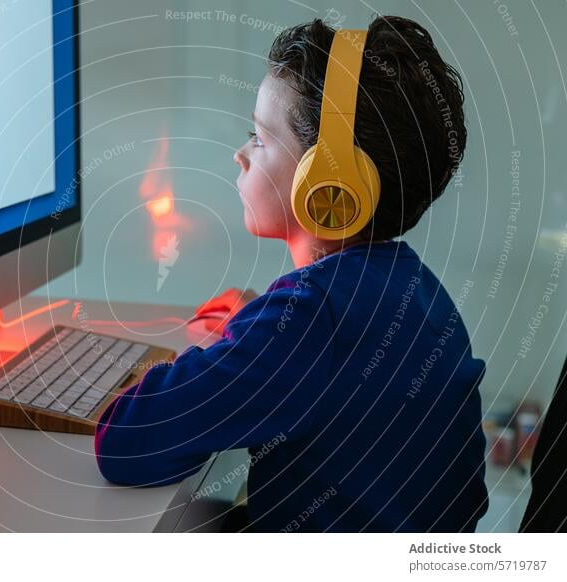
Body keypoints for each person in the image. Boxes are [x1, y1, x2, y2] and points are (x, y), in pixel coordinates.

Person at [94, 15, 489, 532]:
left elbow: (126, 441)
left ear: (330, 179)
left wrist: (235, 349)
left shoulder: (310, 320)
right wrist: (255, 331)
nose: (240, 155)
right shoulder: (413, 288)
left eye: (259, 138)